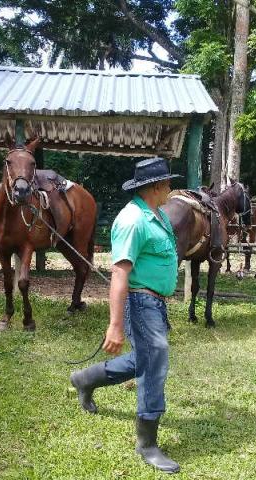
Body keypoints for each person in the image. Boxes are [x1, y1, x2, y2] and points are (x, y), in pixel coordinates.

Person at [70, 157, 181, 474]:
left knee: (143, 359)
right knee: (155, 361)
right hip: (140, 301)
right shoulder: (133, 220)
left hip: (155, 302)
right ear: (155, 187)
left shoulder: (155, 215)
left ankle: (85, 379)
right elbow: (120, 275)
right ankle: (147, 443)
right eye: (167, 184)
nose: (170, 188)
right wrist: (115, 325)